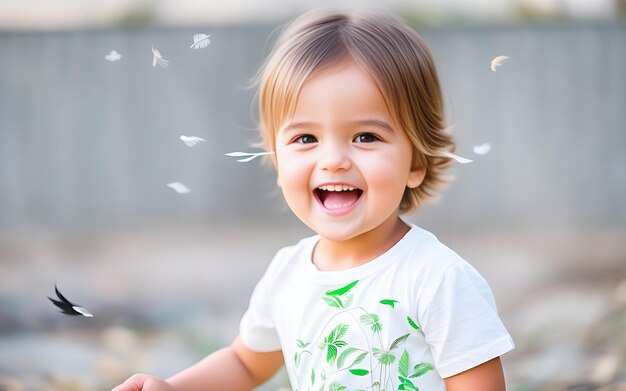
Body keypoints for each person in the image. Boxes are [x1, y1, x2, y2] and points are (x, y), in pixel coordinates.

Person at [113, 9, 514, 391]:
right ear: (275, 156)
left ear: (416, 161)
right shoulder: (288, 273)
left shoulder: (437, 279)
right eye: (306, 139)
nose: (334, 160)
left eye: (366, 137)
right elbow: (245, 362)